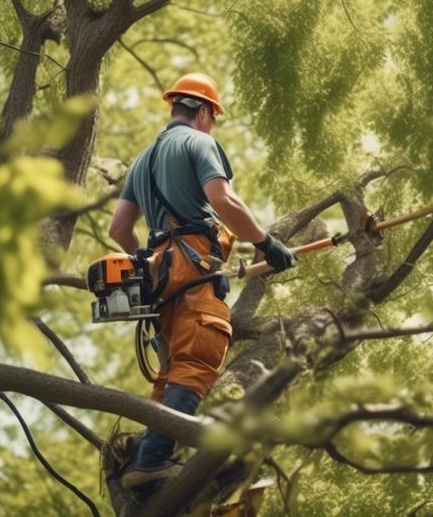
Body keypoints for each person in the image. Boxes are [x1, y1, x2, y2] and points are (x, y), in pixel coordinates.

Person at [108, 72, 296, 488]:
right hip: (193, 268)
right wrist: (266, 243)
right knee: (199, 355)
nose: (213, 124)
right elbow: (222, 199)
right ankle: (153, 458)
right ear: (205, 111)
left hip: (161, 276)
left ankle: (142, 465)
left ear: (176, 106)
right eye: (214, 116)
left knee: (173, 369)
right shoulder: (198, 142)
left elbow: (119, 229)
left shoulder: (143, 160)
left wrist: (147, 265)